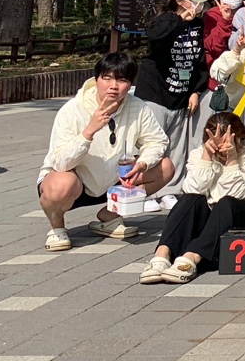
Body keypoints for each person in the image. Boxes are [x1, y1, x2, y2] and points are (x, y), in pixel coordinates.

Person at [37, 53, 174, 250]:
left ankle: (110, 215)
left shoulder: (137, 107)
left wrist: (142, 163)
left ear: (131, 83)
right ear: (96, 80)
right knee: (60, 185)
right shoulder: (72, 109)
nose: (113, 86)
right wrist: (88, 132)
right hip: (77, 182)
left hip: (116, 179)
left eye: (122, 80)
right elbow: (60, 163)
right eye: (107, 78)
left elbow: (157, 141)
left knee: (165, 167)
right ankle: (57, 228)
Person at [139, 113, 245, 284]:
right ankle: (162, 255)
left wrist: (232, 160)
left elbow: (236, 193)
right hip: (212, 219)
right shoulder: (199, 153)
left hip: (241, 216)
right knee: (190, 199)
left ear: (241, 139)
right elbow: (191, 189)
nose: (222, 151)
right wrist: (207, 158)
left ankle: (192, 257)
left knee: (226, 203)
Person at [137, 0, 209, 189]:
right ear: (179, 0)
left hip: (182, 94)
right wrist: (180, 20)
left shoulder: (198, 24)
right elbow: (155, 36)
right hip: (156, 93)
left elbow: (198, 59)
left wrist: (196, 90)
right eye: (193, 1)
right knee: (152, 144)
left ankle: (171, 189)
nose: (198, 5)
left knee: (176, 146)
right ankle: (147, 189)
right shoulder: (163, 20)